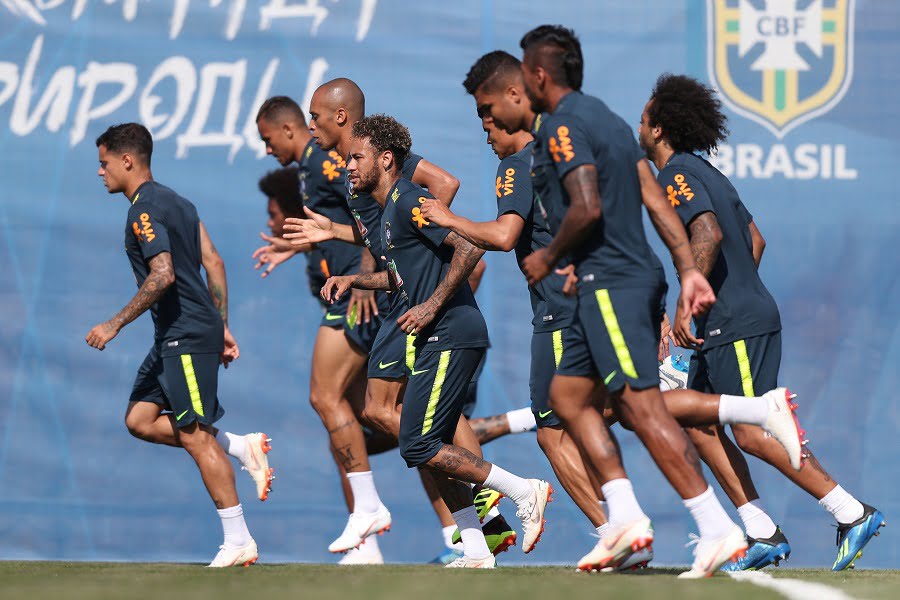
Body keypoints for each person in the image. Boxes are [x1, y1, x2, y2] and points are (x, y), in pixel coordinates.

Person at [514, 25, 750, 578]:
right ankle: (625, 523)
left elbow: (588, 207)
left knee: (641, 406)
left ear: (539, 75)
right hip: (609, 282)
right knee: (568, 397)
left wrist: (549, 259)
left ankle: (716, 527)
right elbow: (654, 199)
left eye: (526, 73)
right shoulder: (613, 122)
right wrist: (688, 269)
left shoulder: (566, 124)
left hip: (613, 284)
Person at [638, 73, 886, 572]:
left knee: (753, 432)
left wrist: (696, 303)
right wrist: (733, 292)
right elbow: (756, 240)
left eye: (643, 119)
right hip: (730, 318)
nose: (638, 127)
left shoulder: (675, 176)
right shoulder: (705, 171)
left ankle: (851, 510)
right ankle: (760, 531)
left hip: (735, 323)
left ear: (660, 129)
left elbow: (707, 231)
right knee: (695, 421)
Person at [420, 49, 651, 568]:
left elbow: (503, 237)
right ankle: (620, 527)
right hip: (600, 299)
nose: (487, 130)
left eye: (488, 116)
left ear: (513, 99)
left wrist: (445, 217)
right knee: (593, 414)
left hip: (558, 314)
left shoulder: (514, 168)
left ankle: (614, 529)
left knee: (553, 429)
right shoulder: (562, 152)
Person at [284, 79, 519, 563]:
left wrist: (424, 262)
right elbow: (379, 231)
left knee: (359, 405)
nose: (312, 126)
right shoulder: (349, 168)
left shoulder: (378, 152)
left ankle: (478, 506)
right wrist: (334, 231)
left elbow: (445, 187)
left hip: (406, 300)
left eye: (316, 116)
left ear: (342, 118)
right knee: (386, 413)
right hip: (397, 295)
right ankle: (476, 520)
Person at [319, 114, 552, 569]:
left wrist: (431, 306)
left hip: (451, 332)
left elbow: (470, 248)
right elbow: (400, 275)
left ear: (386, 160)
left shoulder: (410, 199)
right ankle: (477, 548)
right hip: (433, 335)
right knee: (430, 444)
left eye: (356, 158)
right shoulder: (387, 213)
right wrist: (355, 280)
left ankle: (525, 490)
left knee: (418, 443)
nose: (348, 167)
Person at [85, 123, 270, 567]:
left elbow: (163, 273)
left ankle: (238, 539)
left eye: (104, 162)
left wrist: (113, 324)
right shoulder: (179, 202)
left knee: (194, 436)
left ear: (127, 161)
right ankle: (240, 446)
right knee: (140, 419)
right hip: (181, 332)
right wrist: (221, 325)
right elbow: (215, 262)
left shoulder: (143, 209)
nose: (100, 172)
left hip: (184, 334)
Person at [255, 96, 391, 555]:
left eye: (267, 138)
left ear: (288, 129)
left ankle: (369, 512)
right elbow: (340, 226)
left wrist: (367, 281)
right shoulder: (311, 168)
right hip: (352, 290)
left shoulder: (322, 163)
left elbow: (373, 212)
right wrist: (292, 246)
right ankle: (369, 544)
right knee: (368, 417)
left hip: (358, 297)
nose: (267, 147)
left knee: (324, 397)